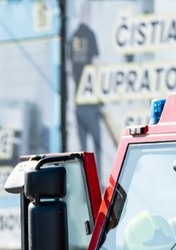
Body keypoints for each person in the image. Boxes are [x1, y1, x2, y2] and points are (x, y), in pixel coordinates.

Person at [68, 2, 103, 154]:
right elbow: (96, 65)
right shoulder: (90, 34)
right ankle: (100, 177)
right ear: (87, 14)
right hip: (91, 99)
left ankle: (84, 177)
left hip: (78, 100)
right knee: (97, 144)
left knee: (83, 150)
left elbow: (71, 71)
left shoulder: (72, 36)